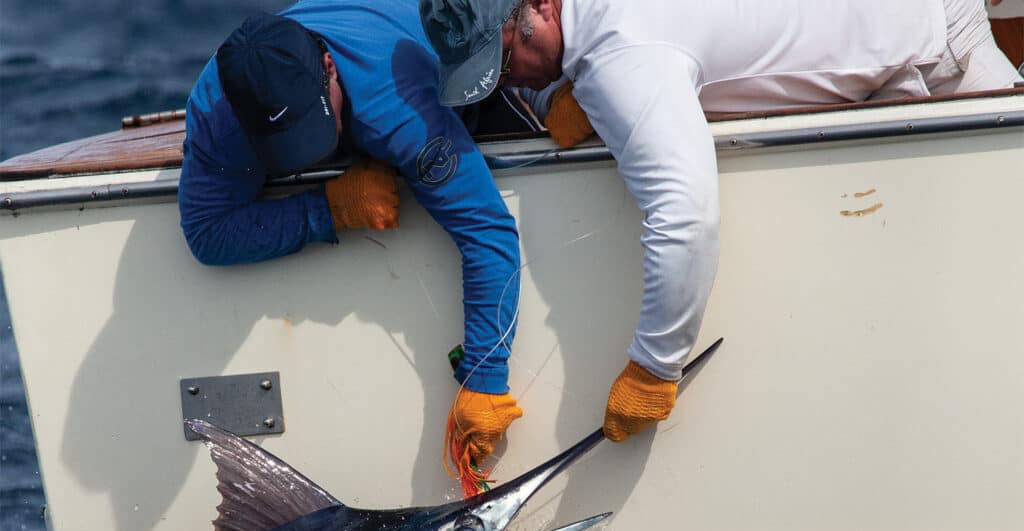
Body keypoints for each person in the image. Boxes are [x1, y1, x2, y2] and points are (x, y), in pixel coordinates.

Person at [420, 0, 1021, 442]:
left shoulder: (619, 56)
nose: (507, 83)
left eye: (504, 60)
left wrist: (655, 367)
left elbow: (685, 216)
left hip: (938, 53)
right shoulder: (587, 30)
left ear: (542, 8)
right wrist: (554, 92)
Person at [178, 1, 535, 474]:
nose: (301, 157)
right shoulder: (218, 111)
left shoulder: (397, 101)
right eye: (283, 146)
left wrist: (486, 379)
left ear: (328, 68)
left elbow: (487, 229)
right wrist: (327, 210)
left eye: (310, 128)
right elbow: (206, 232)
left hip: (415, 55)